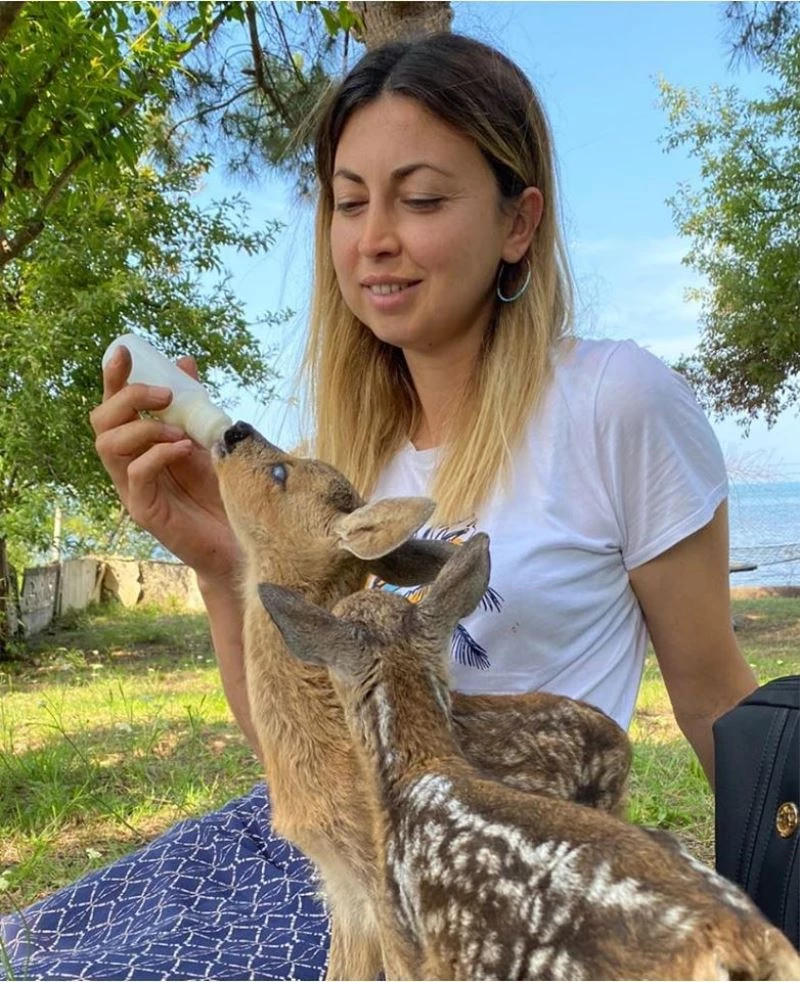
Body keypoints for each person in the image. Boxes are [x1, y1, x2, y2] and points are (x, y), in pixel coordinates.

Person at [1, 32, 759, 981]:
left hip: (522, 922)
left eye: (423, 198)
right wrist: (222, 560)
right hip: (374, 916)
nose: (374, 239)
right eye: (349, 202)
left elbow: (718, 698)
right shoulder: (350, 454)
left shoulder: (618, 404)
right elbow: (309, 753)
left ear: (519, 223)